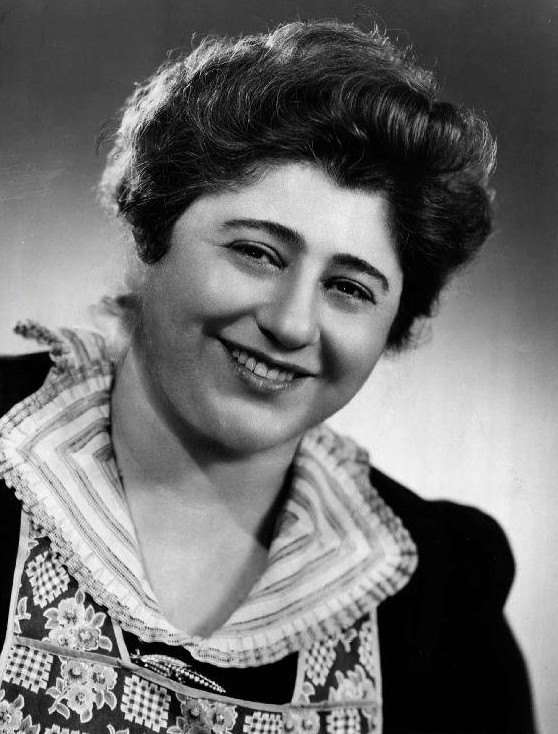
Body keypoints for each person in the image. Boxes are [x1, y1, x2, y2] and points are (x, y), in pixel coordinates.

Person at [0, 19, 535, 734]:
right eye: (256, 252)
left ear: (393, 325)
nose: (291, 324)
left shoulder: (437, 590)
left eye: (349, 288)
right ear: (151, 237)